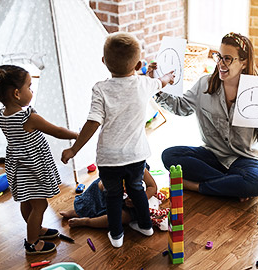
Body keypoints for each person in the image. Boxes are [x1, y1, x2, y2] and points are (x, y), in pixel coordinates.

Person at [61, 32, 174, 248]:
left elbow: (92, 123)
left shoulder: (100, 89)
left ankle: (116, 236)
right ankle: (146, 226)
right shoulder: (144, 84)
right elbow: (161, 82)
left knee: (113, 195)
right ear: (139, 64)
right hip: (136, 156)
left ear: (104, 62)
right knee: (137, 190)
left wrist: (74, 150)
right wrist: (168, 76)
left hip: (109, 159)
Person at [155, 32, 258, 200]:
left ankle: (197, 186)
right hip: (211, 155)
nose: (221, 63)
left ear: (243, 63)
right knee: (169, 155)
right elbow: (181, 107)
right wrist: (158, 87)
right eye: (219, 57)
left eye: (228, 59)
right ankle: (232, 186)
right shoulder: (204, 84)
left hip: (244, 158)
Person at [0, 60, 78, 255]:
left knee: (27, 202)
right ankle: (32, 242)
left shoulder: (2, 115)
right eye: (29, 86)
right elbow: (58, 131)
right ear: (16, 93)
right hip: (32, 167)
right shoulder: (28, 117)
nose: (32, 91)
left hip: (17, 166)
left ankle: (36, 229)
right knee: (41, 204)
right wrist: (78, 135)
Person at [59, 168, 157, 229]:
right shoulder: (112, 169)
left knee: (120, 218)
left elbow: (152, 187)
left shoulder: (140, 168)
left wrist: (140, 199)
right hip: (109, 196)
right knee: (95, 186)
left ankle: (87, 221)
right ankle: (80, 210)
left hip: (130, 204)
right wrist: (107, 187)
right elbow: (101, 184)